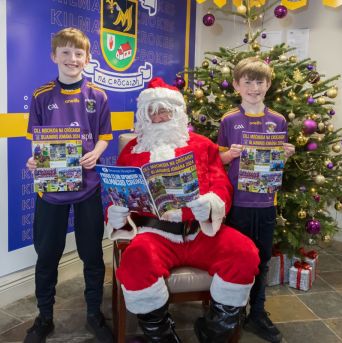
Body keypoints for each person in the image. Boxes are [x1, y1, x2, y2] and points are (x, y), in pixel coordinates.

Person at [106, 77, 260, 343]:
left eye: (166, 109)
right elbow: (117, 192)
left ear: (178, 112)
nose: (160, 116)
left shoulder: (202, 145)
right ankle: (163, 336)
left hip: (201, 232)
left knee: (244, 252)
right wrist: (116, 212)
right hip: (155, 235)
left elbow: (222, 185)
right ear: (144, 115)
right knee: (136, 260)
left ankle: (213, 330)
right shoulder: (131, 151)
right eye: (153, 111)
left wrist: (211, 202)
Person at [24, 27, 113, 343]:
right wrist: (35, 161)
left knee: (91, 254)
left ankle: (94, 314)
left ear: (87, 58)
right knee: (47, 255)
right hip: (51, 189)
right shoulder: (41, 95)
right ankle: (44, 317)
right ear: (54, 56)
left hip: (88, 186)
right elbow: (37, 140)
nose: (72, 59)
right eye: (66, 52)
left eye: (78, 54)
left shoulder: (98, 96)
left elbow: (104, 136)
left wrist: (97, 154)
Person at [217, 56, 295, 343]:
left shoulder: (278, 120)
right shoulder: (229, 119)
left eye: (259, 82)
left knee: (261, 260)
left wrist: (284, 155)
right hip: (238, 204)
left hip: (265, 204)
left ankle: (257, 313)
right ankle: (234, 312)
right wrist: (230, 154)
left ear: (268, 85)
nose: (254, 87)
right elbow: (219, 159)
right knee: (238, 259)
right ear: (237, 85)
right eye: (247, 82)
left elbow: (277, 166)